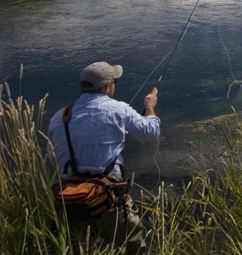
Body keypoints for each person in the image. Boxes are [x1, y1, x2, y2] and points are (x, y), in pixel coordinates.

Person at [47, 61, 160, 254]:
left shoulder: (60, 116)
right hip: (108, 197)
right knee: (133, 247)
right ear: (107, 86)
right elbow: (151, 131)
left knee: (77, 247)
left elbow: (53, 156)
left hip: (69, 198)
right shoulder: (119, 109)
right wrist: (149, 107)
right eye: (114, 81)